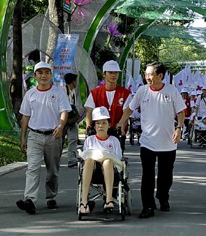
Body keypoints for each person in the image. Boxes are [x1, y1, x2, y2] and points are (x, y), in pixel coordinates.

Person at [117, 62, 186, 219]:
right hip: (147, 142)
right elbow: (130, 108)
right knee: (147, 175)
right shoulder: (142, 91)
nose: (147, 77)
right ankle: (147, 206)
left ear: (160, 76)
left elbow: (181, 111)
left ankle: (163, 197)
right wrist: (121, 123)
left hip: (168, 143)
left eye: (150, 74)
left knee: (165, 176)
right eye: (146, 74)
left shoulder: (171, 91)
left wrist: (179, 128)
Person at [16, 61, 71, 215]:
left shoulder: (59, 92)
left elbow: (64, 112)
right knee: (32, 168)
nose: (43, 76)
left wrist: (60, 126)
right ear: (35, 76)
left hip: (53, 136)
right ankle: (30, 200)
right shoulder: (30, 94)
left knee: (52, 170)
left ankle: (51, 196)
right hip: (34, 135)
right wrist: (23, 137)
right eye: (40, 73)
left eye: (47, 73)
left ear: (51, 75)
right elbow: (25, 116)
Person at [78, 107, 123, 214]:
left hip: (111, 171)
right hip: (93, 171)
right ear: (94, 126)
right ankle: (84, 203)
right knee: (89, 160)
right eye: (98, 123)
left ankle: (108, 200)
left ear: (109, 125)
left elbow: (119, 160)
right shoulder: (90, 140)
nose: (101, 126)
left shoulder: (114, 141)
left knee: (107, 161)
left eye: (104, 123)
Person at [84, 60, 132, 153]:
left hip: (116, 132)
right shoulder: (95, 93)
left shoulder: (125, 93)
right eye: (110, 72)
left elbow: (126, 112)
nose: (113, 75)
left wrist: (121, 125)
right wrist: (89, 127)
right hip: (99, 131)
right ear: (104, 74)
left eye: (116, 73)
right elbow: (89, 112)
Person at [63, 72, 79, 168]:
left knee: (73, 139)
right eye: (75, 80)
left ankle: (72, 159)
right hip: (63, 119)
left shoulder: (73, 92)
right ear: (72, 81)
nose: (76, 82)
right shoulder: (63, 91)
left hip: (72, 120)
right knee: (59, 140)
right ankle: (55, 159)